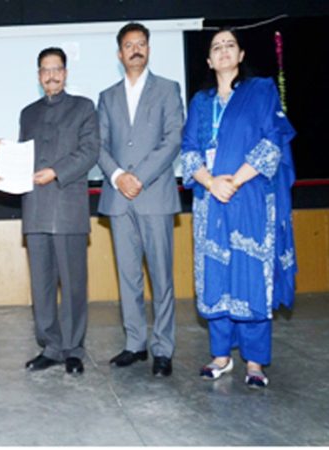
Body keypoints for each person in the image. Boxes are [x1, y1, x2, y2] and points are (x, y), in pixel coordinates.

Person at [181, 29, 296, 389]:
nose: (224, 50)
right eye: (217, 47)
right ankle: (220, 357)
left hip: (249, 199)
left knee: (250, 276)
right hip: (210, 201)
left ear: (241, 54)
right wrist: (211, 182)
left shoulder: (261, 91)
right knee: (215, 275)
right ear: (209, 60)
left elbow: (272, 141)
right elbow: (188, 151)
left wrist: (234, 180)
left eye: (231, 45)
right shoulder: (200, 102)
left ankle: (256, 362)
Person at [97, 22, 184, 377]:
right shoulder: (107, 96)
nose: (136, 49)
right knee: (128, 276)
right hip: (119, 200)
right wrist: (119, 177)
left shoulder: (167, 89)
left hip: (155, 196)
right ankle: (135, 344)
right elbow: (98, 146)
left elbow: (173, 139)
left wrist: (139, 177)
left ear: (148, 49)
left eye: (142, 43)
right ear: (119, 54)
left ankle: (163, 349)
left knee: (161, 278)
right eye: (129, 44)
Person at [20, 47, 99, 375]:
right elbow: (23, 156)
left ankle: (73, 350)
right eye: (45, 70)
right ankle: (50, 347)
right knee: (41, 285)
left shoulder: (84, 108)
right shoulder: (28, 113)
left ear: (65, 73)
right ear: (39, 76)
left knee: (73, 284)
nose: (51, 75)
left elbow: (90, 151)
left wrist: (55, 171)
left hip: (68, 207)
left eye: (57, 69)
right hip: (36, 208)